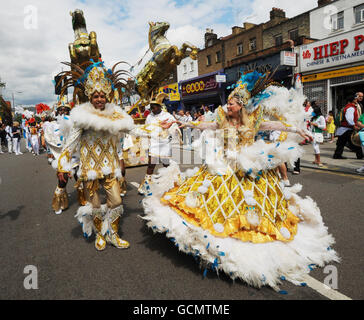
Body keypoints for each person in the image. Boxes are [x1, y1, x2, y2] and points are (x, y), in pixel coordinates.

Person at [141, 70, 338, 291]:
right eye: (229, 103)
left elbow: (276, 126)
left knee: (250, 204)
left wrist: (300, 131)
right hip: (222, 167)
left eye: (233, 104)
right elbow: (203, 125)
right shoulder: (221, 119)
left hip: (248, 167)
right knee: (213, 200)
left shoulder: (254, 120)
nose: (228, 106)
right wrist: (181, 124)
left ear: (242, 105)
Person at [56, 60, 135, 251]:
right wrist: (62, 165)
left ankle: (113, 233)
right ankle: (101, 233)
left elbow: (121, 139)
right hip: (89, 168)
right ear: (90, 97)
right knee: (96, 205)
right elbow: (70, 143)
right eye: (96, 96)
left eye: (102, 96)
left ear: (107, 96)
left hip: (110, 166)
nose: (100, 99)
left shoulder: (114, 115)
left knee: (116, 201)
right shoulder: (81, 117)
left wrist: (121, 159)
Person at [136, 92, 178, 195]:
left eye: (154, 107)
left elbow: (174, 126)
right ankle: (146, 185)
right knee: (151, 164)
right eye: (151, 108)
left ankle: (171, 183)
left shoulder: (167, 115)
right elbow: (146, 129)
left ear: (159, 107)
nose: (152, 110)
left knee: (166, 164)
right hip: (154, 144)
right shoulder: (149, 117)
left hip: (164, 144)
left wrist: (172, 130)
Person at [333, 94, 363, 159]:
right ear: (352, 100)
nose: (356, 100)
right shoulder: (351, 107)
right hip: (347, 129)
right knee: (354, 143)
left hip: (343, 129)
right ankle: (360, 155)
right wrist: (353, 125)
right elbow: (349, 118)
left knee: (341, 143)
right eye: (355, 99)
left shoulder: (347, 107)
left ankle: (337, 155)